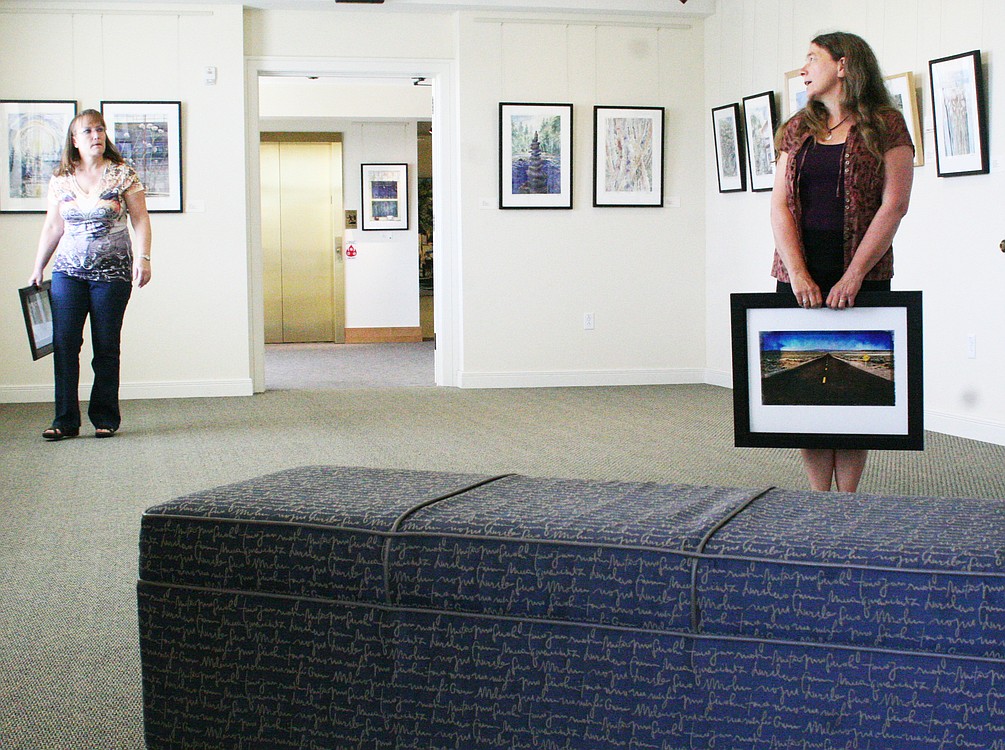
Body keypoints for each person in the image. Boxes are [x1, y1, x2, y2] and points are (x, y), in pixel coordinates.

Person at [769, 32, 914, 491]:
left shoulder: (887, 124)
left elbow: (894, 204)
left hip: (863, 269)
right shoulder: (797, 127)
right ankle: (818, 498)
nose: (805, 67)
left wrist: (855, 275)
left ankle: (847, 500)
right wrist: (796, 273)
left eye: (813, 58)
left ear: (845, 65)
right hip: (799, 273)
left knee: (857, 392)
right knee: (805, 389)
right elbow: (779, 205)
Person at [28, 109, 152, 441]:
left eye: (100, 129)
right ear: (74, 140)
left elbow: (140, 219)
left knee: (106, 345)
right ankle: (65, 420)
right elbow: (54, 226)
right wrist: (38, 266)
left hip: (112, 274)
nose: (96, 135)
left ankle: (105, 417)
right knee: (66, 343)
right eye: (87, 131)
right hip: (68, 273)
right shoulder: (61, 178)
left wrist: (144, 257)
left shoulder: (123, 174)